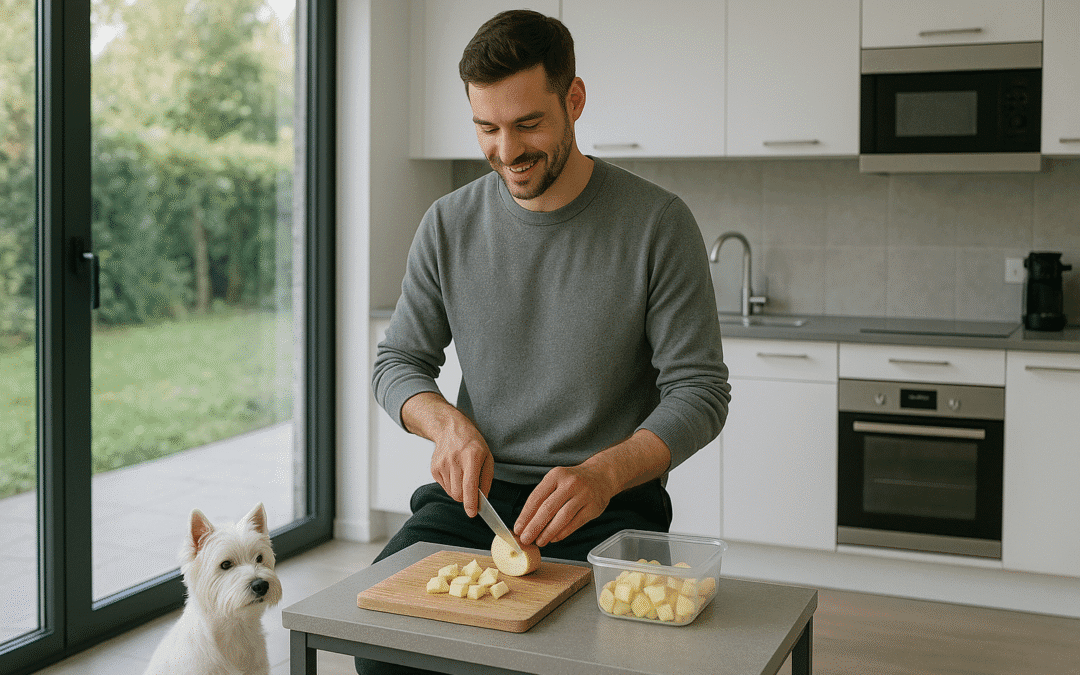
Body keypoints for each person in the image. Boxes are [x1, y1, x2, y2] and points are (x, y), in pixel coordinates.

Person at [360, 10, 729, 673]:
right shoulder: (447, 224)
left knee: (579, 659)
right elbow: (398, 362)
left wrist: (602, 472)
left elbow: (699, 391)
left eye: (528, 123)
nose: (507, 149)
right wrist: (445, 425)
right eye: (487, 128)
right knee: (382, 653)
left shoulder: (658, 224)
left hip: (608, 509)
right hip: (472, 505)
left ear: (574, 99)